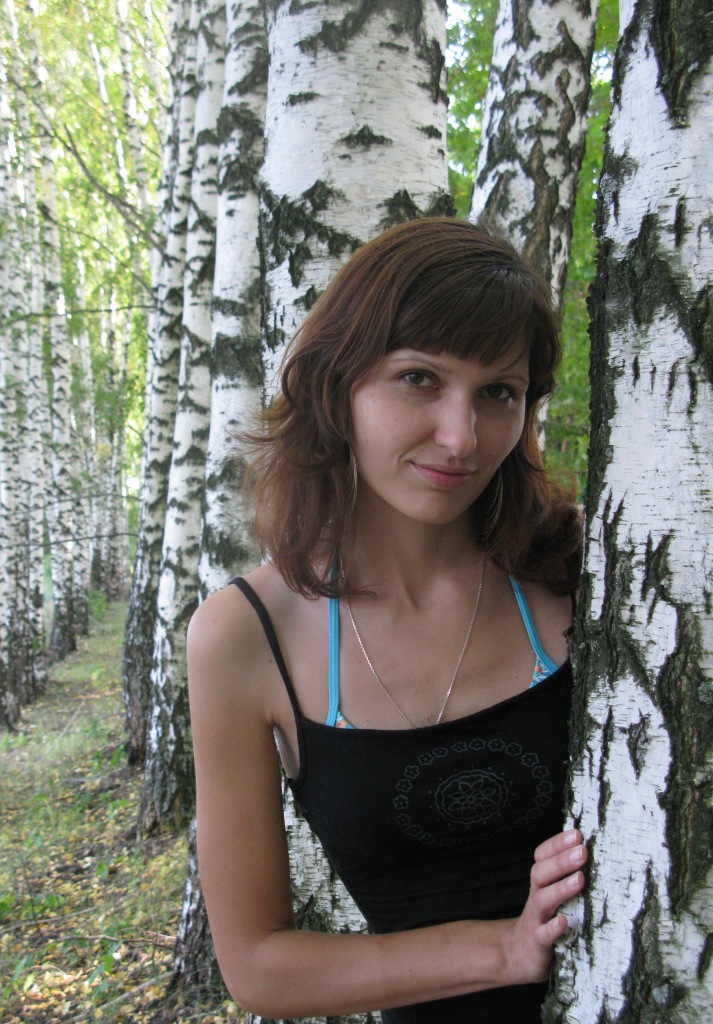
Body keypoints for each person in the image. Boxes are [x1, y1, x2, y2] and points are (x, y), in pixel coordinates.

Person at [187, 217, 587, 1023]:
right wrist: (501, 949)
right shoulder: (244, 636)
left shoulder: (576, 572)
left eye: (498, 393)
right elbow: (259, 966)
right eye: (418, 378)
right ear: (336, 386)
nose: (460, 437)